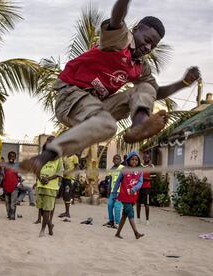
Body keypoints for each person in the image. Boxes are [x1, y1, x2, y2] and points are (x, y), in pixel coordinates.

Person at [20, 0, 201, 176]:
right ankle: (44, 157)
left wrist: (183, 83)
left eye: (152, 46)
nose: (147, 47)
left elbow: (155, 92)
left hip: (97, 106)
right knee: (108, 125)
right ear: (135, 30)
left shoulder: (140, 66)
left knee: (145, 87)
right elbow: (117, 18)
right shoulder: (120, 39)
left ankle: (138, 126)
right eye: (146, 40)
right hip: (71, 96)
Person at [33, 136, 64, 237]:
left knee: (47, 209)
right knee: (41, 209)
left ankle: (42, 230)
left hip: (51, 187)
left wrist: (48, 179)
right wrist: (40, 178)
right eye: (49, 142)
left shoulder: (58, 159)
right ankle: (50, 225)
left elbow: (59, 173)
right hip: (40, 185)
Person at [112, 151, 144, 239]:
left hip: (133, 196)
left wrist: (134, 189)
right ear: (129, 160)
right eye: (132, 159)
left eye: (136, 160)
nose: (134, 161)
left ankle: (117, 233)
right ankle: (136, 233)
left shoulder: (140, 171)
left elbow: (141, 182)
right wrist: (114, 193)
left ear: (138, 161)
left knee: (124, 215)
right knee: (130, 213)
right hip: (124, 195)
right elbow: (118, 181)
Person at [103, 154, 124, 228]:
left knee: (117, 206)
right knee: (110, 205)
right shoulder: (112, 168)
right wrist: (108, 190)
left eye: (118, 159)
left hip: (120, 191)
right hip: (113, 191)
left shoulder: (123, 168)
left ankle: (117, 223)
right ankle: (111, 221)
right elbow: (110, 179)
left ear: (120, 161)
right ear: (113, 160)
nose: (116, 160)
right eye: (115, 159)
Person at [137, 151, 154, 225]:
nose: (146, 158)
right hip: (139, 187)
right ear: (143, 158)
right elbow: (137, 176)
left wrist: (143, 179)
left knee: (146, 204)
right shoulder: (140, 166)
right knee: (138, 203)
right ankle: (138, 218)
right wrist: (142, 179)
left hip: (147, 188)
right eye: (145, 157)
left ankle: (147, 220)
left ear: (150, 158)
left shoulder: (151, 166)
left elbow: (153, 178)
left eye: (148, 157)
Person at [3, 151, 20, 220]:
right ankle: (9, 214)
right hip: (6, 185)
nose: (11, 157)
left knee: (13, 202)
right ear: (8, 157)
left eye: (13, 156)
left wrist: (19, 180)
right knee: (7, 202)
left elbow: (19, 175)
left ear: (15, 157)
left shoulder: (17, 166)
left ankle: (12, 215)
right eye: (10, 156)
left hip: (14, 186)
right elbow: (3, 175)